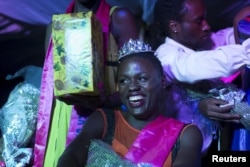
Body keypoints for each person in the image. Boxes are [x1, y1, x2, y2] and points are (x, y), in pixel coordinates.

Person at [57, 39, 203, 167]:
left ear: (162, 81)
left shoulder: (185, 135)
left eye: (142, 78)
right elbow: (70, 158)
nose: (132, 87)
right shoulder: (104, 120)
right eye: (124, 81)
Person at [32, 0, 139, 166]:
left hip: (105, 120)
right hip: (63, 121)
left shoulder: (119, 19)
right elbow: (51, 86)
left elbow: (137, 83)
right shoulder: (54, 27)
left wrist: (105, 101)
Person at [152, 0, 250, 156]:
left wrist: (242, 22)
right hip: (182, 155)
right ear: (174, 26)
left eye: (205, 18)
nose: (207, 26)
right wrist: (247, 51)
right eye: (199, 21)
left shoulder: (202, 42)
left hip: (213, 148)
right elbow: (195, 67)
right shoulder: (165, 56)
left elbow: (230, 34)